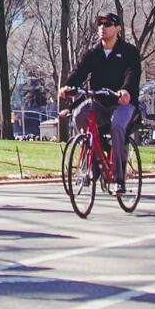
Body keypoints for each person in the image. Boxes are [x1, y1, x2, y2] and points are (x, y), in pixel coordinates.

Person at [60, 11, 142, 192]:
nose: (102, 28)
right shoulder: (93, 53)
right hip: (99, 102)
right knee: (79, 115)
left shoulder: (129, 52)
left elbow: (132, 73)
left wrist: (126, 91)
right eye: (100, 24)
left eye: (107, 24)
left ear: (117, 28)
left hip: (122, 104)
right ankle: (94, 158)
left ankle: (119, 179)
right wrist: (67, 87)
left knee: (117, 127)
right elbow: (79, 72)